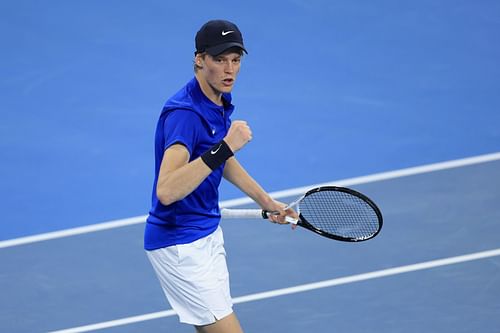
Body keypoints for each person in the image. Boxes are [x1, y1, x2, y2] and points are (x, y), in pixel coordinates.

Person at [144, 19, 297, 333]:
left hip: (206, 233)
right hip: (181, 243)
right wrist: (226, 145)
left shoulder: (216, 102)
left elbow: (218, 161)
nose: (229, 69)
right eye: (219, 59)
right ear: (199, 60)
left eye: (235, 60)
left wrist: (266, 201)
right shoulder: (185, 114)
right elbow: (167, 191)